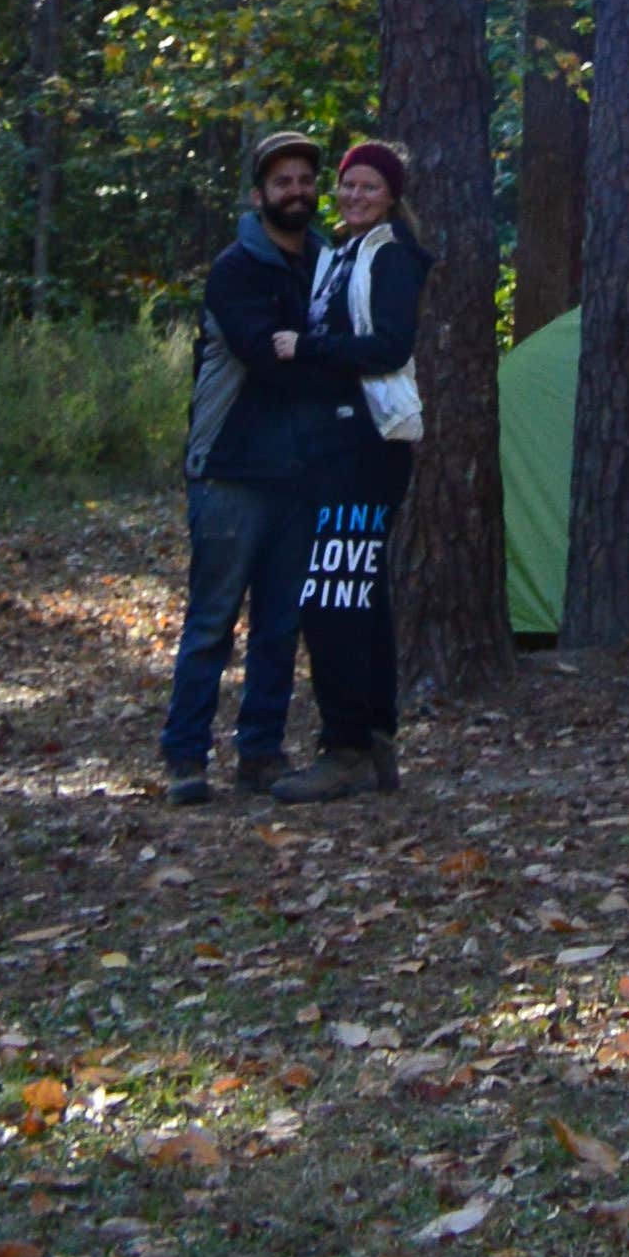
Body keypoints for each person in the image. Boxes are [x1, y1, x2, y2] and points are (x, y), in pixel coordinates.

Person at [159, 129, 332, 802]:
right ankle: (185, 757)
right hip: (229, 470)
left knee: (281, 625)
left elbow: (338, 354)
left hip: (299, 472)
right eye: (283, 182)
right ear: (260, 194)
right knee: (211, 620)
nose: (296, 192)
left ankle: (260, 751)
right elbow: (264, 357)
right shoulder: (237, 268)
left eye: (305, 181)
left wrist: (316, 352)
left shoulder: (326, 263)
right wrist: (330, 354)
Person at [293, 132, 428, 798]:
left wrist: (309, 349)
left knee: (334, 594)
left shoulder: (392, 256)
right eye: (349, 184)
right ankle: (375, 739)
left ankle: (343, 747)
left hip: (368, 445)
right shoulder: (341, 252)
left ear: (391, 197)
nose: (355, 195)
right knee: (359, 592)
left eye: (370, 186)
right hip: (340, 444)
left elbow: (390, 346)